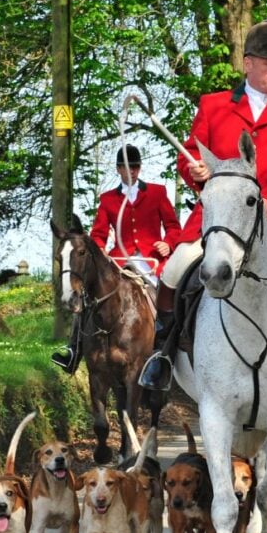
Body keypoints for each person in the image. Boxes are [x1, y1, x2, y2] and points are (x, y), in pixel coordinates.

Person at [138, 21, 267, 397]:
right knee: (173, 270)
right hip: (221, 217)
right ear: (248, 63)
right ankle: (164, 355)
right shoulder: (213, 106)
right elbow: (189, 156)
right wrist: (196, 172)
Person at [51, 144, 181, 373]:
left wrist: (167, 243)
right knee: (91, 298)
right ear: (118, 169)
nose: (132, 172)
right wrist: (100, 252)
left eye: (135, 167)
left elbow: (173, 227)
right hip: (119, 261)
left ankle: (168, 349)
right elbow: (99, 235)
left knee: (166, 297)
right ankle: (73, 350)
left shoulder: (157, 193)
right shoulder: (108, 199)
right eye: (126, 167)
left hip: (150, 262)